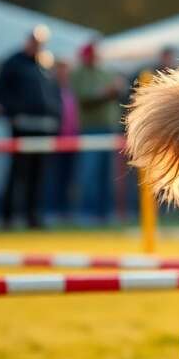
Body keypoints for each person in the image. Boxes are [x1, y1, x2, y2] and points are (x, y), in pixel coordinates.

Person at [0, 26, 59, 229]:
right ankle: (8, 218)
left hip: (44, 127)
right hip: (22, 125)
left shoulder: (45, 64)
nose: (36, 45)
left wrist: (56, 117)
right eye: (34, 40)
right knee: (17, 173)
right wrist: (12, 113)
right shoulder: (13, 63)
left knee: (38, 175)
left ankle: (33, 218)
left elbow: (55, 93)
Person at [71, 40, 124, 223]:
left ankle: (103, 214)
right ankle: (86, 213)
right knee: (89, 173)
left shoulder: (105, 72)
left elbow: (116, 91)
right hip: (90, 129)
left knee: (105, 174)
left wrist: (114, 90)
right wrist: (105, 92)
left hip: (108, 128)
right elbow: (84, 96)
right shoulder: (78, 73)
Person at [46, 59, 80, 222]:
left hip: (72, 141)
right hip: (57, 140)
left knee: (69, 178)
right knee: (56, 177)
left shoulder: (73, 90)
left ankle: (67, 211)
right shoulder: (51, 89)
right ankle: (57, 210)